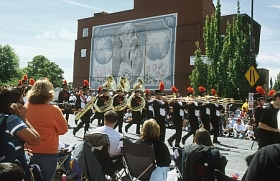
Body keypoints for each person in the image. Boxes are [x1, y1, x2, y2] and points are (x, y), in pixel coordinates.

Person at [26, 79, 68, 181]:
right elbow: (63, 130)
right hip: (48, 153)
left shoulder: (26, 107)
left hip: (28, 151)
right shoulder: (54, 109)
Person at [0, 88, 41, 181]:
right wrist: (24, 118)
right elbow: (36, 140)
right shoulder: (12, 120)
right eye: (22, 103)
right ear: (11, 105)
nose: (24, 106)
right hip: (13, 170)